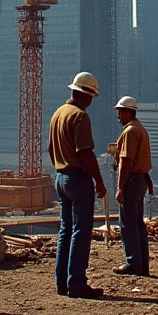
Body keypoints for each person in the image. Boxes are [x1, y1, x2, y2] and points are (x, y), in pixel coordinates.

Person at [48, 71, 107, 299]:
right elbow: (85, 152)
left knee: (66, 230)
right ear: (88, 95)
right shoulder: (79, 116)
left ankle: (62, 282)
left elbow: (50, 149)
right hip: (78, 179)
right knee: (81, 231)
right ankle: (77, 283)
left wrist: (61, 168)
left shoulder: (58, 114)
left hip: (61, 177)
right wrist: (98, 181)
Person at [111, 96, 153, 277]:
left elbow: (126, 160)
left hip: (131, 181)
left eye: (121, 111)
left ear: (130, 111)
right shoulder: (140, 129)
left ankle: (133, 262)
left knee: (128, 223)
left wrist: (120, 187)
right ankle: (142, 264)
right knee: (137, 223)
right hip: (140, 180)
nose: (118, 115)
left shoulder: (129, 132)